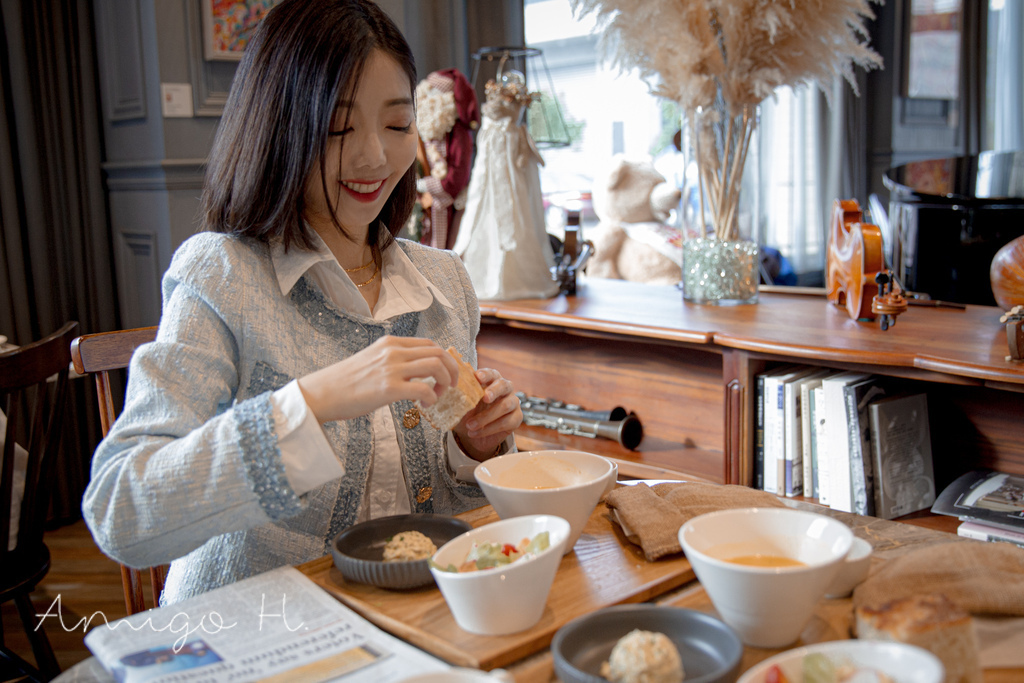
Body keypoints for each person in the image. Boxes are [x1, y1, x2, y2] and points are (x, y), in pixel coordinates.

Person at [82, 0, 522, 604]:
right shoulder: (223, 275)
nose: (374, 156)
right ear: (278, 124)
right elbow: (120, 510)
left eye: (397, 126)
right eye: (339, 127)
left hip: (412, 625)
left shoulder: (444, 283)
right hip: (252, 635)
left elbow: (445, 516)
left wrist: (470, 445)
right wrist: (313, 401)